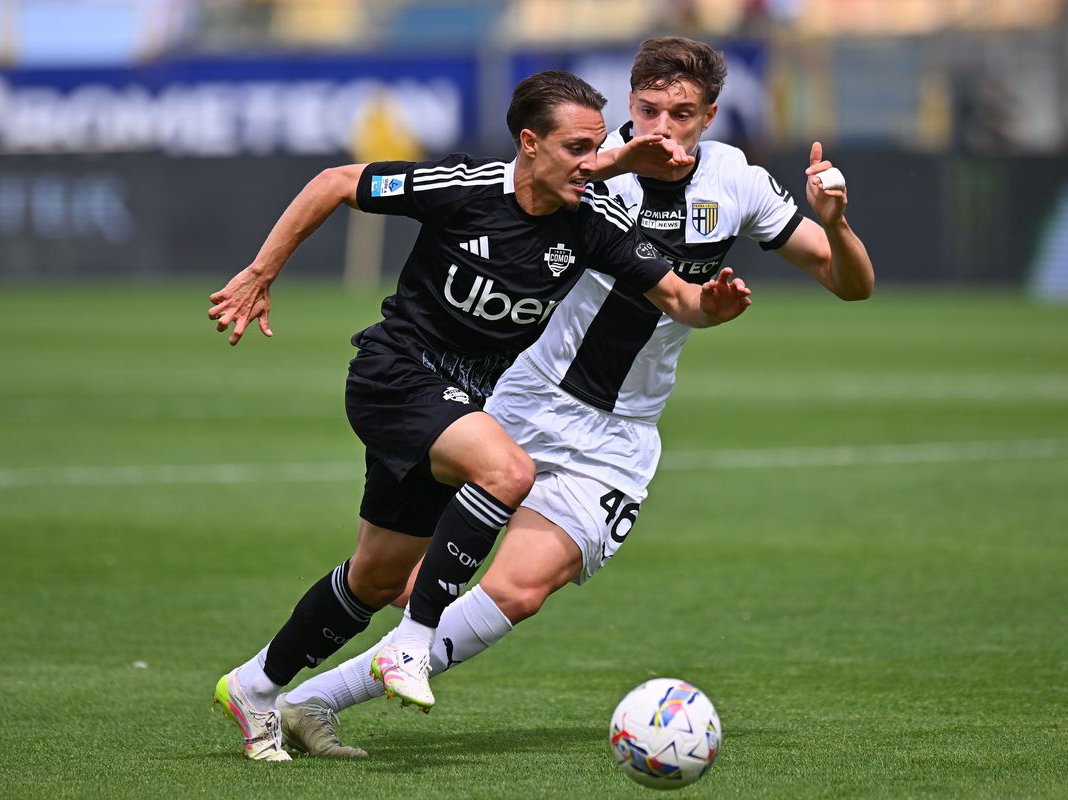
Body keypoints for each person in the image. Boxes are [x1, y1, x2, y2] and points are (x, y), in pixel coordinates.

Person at [275, 36, 874, 759]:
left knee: (520, 592)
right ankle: (274, 679)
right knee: (387, 574)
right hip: (526, 398)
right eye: (648, 110)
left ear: (711, 115)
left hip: (623, 430)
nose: (663, 127)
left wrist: (835, 223)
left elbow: (851, 283)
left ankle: (313, 701)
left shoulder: (736, 182)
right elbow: (515, 188)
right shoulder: (587, 168)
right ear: (630, 105)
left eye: (682, 113)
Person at [207, 68, 752, 761]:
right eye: (578, 149)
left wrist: (712, 306)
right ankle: (411, 643)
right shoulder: (463, 188)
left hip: (460, 402)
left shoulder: (593, 224)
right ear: (530, 143)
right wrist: (261, 272)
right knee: (508, 471)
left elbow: (680, 298)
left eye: (597, 148)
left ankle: (254, 686)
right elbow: (335, 182)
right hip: (395, 375)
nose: (594, 164)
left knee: (376, 577)